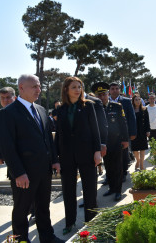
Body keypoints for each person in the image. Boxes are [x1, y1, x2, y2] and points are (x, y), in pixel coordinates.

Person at [0, 74, 63, 243]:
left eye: (39, 86)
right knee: (21, 211)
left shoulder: (40, 110)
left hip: (44, 170)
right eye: (34, 86)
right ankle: (21, 240)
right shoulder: (8, 113)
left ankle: (47, 237)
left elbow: (48, 138)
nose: (38, 90)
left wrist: (55, 160)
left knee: (43, 207)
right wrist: (18, 172)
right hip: (24, 174)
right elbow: (8, 147)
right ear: (21, 88)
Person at [55, 77, 101, 235]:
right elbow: (59, 135)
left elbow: (95, 129)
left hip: (87, 153)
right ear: (66, 89)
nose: (77, 90)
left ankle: (91, 221)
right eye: (74, 87)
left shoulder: (88, 105)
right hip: (66, 155)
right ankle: (70, 222)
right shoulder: (60, 109)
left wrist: (97, 151)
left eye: (79, 87)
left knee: (90, 188)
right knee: (68, 190)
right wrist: (56, 159)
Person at [92, 82, 129, 201]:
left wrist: (125, 140)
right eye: (99, 95)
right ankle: (112, 188)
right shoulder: (94, 108)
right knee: (108, 166)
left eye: (104, 94)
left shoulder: (116, 106)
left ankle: (118, 191)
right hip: (103, 143)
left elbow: (123, 123)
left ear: (108, 94)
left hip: (116, 142)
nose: (102, 97)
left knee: (118, 166)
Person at [109, 82, 137, 182]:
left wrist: (133, 132)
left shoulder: (126, 101)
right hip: (109, 134)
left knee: (123, 154)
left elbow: (132, 117)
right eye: (112, 89)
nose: (114, 90)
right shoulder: (105, 101)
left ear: (119, 90)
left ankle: (123, 173)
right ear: (109, 90)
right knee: (110, 155)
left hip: (123, 133)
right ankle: (110, 175)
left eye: (116, 88)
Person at [0, 87, 16, 165]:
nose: (5, 100)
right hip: (8, 155)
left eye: (8, 97)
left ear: (15, 98)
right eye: (2, 98)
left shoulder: (22, 113)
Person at [131, 95, 151, 170]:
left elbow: (147, 121)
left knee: (142, 148)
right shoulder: (131, 109)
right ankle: (138, 161)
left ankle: (142, 165)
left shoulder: (144, 109)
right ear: (133, 101)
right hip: (134, 131)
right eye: (136, 100)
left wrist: (148, 130)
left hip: (142, 131)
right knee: (135, 149)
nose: (138, 101)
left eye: (139, 99)